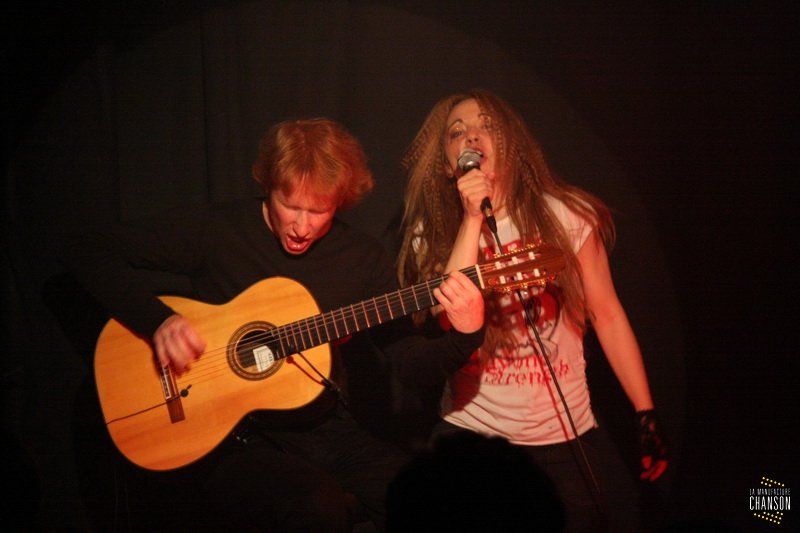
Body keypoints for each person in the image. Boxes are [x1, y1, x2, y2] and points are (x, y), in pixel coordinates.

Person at [61, 117, 485, 532]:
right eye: (290, 206)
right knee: (316, 507)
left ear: (340, 202)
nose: (302, 226)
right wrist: (158, 322)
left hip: (325, 431)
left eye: (319, 211)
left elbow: (408, 363)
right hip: (232, 437)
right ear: (268, 187)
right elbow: (88, 249)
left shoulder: (362, 258)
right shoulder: (220, 230)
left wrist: (465, 334)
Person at [396, 89, 669, 532]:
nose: (471, 136)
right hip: (473, 432)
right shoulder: (434, 233)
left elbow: (608, 315)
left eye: (486, 125)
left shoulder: (569, 216)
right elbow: (450, 322)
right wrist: (472, 219)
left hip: (562, 436)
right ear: (447, 164)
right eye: (457, 132)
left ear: (511, 145)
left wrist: (645, 411)